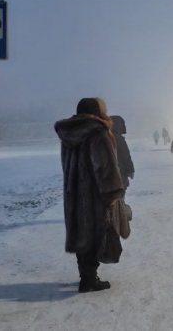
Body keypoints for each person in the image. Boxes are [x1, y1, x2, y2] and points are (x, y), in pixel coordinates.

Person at [55, 98, 127, 293]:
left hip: (74, 193)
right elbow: (105, 168)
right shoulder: (97, 133)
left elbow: (66, 165)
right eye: (103, 109)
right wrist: (112, 193)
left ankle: (85, 276)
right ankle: (89, 280)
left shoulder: (69, 134)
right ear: (96, 112)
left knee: (81, 234)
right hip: (94, 194)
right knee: (96, 234)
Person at [110, 116, 134, 190]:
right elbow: (126, 155)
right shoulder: (118, 139)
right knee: (120, 192)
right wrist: (130, 169)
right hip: (120, 171)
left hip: (108, 174)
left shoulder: (104, 136)